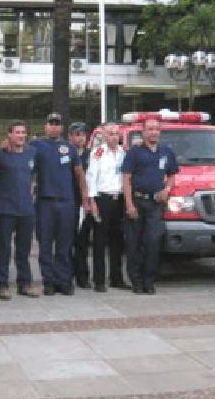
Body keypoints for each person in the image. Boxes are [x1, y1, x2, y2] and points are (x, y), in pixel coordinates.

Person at [30, 112, 90, 296]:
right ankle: (48, 281)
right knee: (46, 245)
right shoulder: (36, 145)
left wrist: (85, 199)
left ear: (62, 128)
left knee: (65, 245)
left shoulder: (69, 148)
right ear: (45, 126)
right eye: (51, 123)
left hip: (67, 202)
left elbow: (80, 175)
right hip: (45, 202)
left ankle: (64, 281)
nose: (54, 126)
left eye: (57, 123)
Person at [121, 118, 178, 295]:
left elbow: (171, 175)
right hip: (137, 202)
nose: (153, 132)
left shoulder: (166, 152)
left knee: (153, 243)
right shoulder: (134, 152)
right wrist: (129, 204)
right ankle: (136, 281)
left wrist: (167, 189)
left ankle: (149, 280)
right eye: (150, 129)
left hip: (155, 204)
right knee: (134, 244)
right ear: (143, 132)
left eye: (156, 129)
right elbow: (126, 179)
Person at [0, 120, 41, 300]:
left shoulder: (32, 153)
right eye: (17, 132)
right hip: (6, 209)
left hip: (26, 209)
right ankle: (2, 285)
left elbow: (34, 175)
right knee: (3, 249)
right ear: (9, 134)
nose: (21, 135)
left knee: (24, 249)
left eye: (23, 132)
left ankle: (24, 284)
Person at [86, 122, 129, 292]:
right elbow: (91, 177)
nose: (114, 136)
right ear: (104, 136)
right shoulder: (98, 153)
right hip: (102, 199)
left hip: (119, 200)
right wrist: (92, 201)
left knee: (117, 241)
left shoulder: (122, 153)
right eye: (111, 133)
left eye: (117, 133)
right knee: (99, 241)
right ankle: (99, 280)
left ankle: (116, 278)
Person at [68, 122, 93, 289]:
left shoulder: (92, 155)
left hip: (87, 201)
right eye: (77, 134)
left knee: (83, 241)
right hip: (69, 200)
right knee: (68, 240)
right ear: (70, 137)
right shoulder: (66, 153)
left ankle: (83, 276)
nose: (81, 138)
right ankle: (67, 275)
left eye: (83, 134)